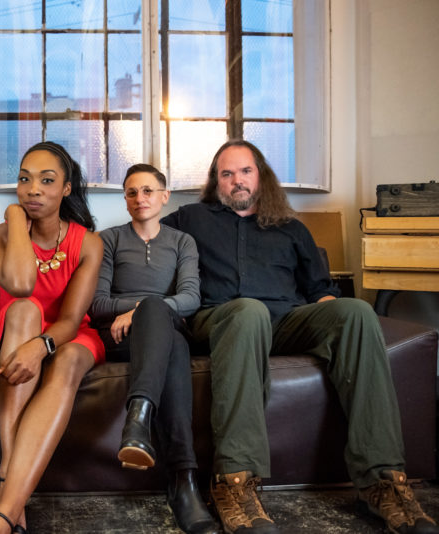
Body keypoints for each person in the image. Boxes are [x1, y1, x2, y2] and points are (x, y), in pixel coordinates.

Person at [160, 139, 439, 534]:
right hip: (222, 321)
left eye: (245, 171)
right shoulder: (190, 218)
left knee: (357, 311)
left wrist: (333, 318)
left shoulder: (291, 228)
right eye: (227, 173)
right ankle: (233, 483)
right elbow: (143, 240)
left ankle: (382, 481)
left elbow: (320, 291)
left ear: (261, 176)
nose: (237, 180)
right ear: (215, 181)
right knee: (248, 310)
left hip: (286, 322)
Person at [0, 141, 104, 534]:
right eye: (25, 179)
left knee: (67, 361)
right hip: (13, 328)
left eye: (47, 180)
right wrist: (14, 218)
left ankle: (4, 513)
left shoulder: (89, 244)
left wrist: (41, 346)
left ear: (66, 188)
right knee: (25, 309)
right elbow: (22, 285)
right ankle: (10, 466)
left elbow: (70, 319)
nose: (33, 189)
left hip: (66, 334)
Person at [89, 164, 218, 534]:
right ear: (125, 200)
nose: (139, 198)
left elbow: (191, 298)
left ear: (164, 196)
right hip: (119, 338)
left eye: (148, 191)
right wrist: (147, 307)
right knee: (169, 334)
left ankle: (140, 419)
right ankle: (184, 482)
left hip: (164, 331)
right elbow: (97, 303)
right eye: (131, 192)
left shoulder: (182, 242)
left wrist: (145, 309)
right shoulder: (108, 239)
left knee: (170, 335)